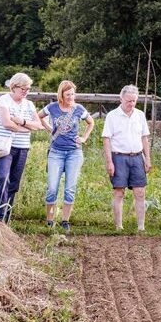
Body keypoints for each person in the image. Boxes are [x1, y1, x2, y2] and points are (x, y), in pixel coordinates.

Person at [37, 80, 94, 233]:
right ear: (61, 94)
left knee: (70, 188)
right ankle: (50, 221)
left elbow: (91, 122)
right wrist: (50, 129)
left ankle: (65, 221)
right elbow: (39, 116)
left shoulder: (78, 109)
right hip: (56, 152)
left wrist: (84, 138)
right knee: (52, 187)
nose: (71, 97)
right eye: (68, 94)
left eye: (73, 94)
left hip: (74, 153)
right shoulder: (52, 107)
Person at [0, 72, 43, 222]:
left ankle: (7, 215)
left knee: (14, 182)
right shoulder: (4, 100)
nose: (26, 92)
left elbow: (38, 125)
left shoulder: (29, 104)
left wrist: (22, 122)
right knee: (3, 177)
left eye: (28, 89)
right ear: (14, 87)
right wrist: (25, 128)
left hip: (22, 146)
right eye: (23, 89)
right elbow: (6, 123)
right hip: (5, 146)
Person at [102, 84, 151, 231]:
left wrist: (147, 158)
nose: (131, 104)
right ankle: (119, 226)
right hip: (119, 157)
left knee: (140, 192)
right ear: (121, 99)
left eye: (134, 101)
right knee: (119, 192)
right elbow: (106, 139)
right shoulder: (112, 116)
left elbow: (144, 138)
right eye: (128, 101)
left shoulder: (140, 115)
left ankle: (141, 227)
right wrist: (109, 162)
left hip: (137, 157)